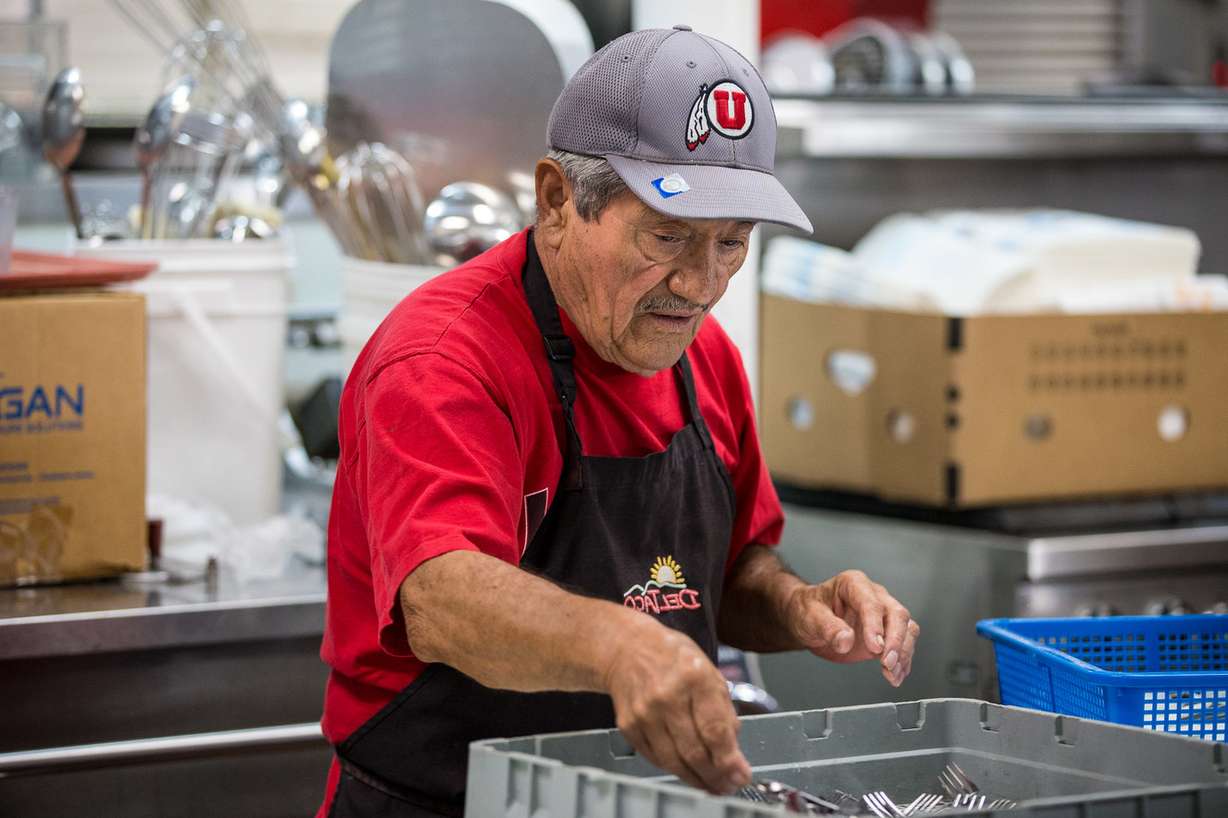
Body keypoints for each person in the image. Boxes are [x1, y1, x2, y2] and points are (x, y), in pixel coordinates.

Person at [317, 25, 920, 818]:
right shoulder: (444, 358)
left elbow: (727, 576)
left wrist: (796, 607)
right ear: (558, 201)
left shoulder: (704, 359)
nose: (701, 285)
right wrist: (620, 647)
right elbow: (442, 600)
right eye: (668, 236)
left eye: (731, 243)